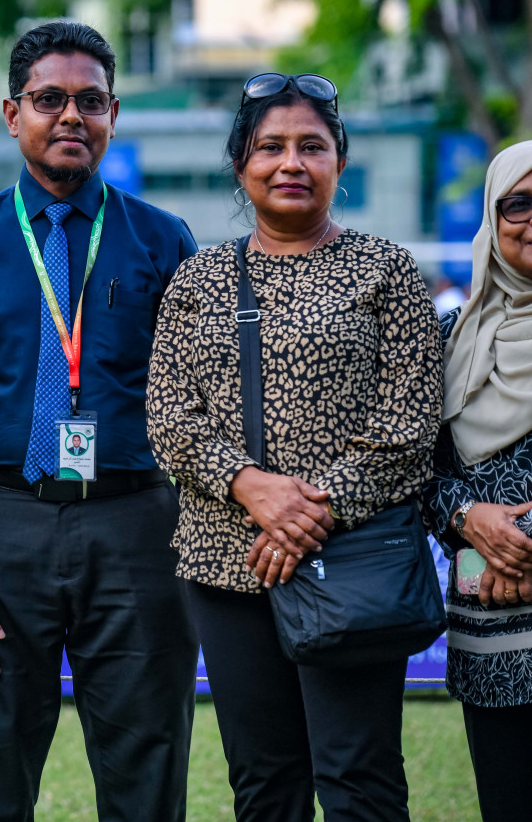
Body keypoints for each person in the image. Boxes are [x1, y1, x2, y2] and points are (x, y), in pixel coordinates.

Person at [0, 21, 199, 822]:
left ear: (113, 115)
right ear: (12, 114)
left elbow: (201, 406)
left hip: (137, 527)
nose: (72, 116)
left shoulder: (164, 240)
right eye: (50, 99)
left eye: (91, 101)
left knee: (148, 769)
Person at [147, 72, 443, 822]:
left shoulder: (386, 269)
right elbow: (169, 419)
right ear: (241, 164)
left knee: (359, 777)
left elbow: (408, 424)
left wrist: (309, 513)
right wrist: (254, 489)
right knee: (264, 781)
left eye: (311, 146)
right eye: (270, 146)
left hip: (352, 562)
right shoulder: (198, 280)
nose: (291, 163)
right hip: (226, 561)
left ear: (339, 162)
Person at [425, 141, 532, 822]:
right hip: (490, 611)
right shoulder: (447, 337)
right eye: (517, 203)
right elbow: (417, 472)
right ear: (493, 220)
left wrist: (522, 539)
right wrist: (472, 527)